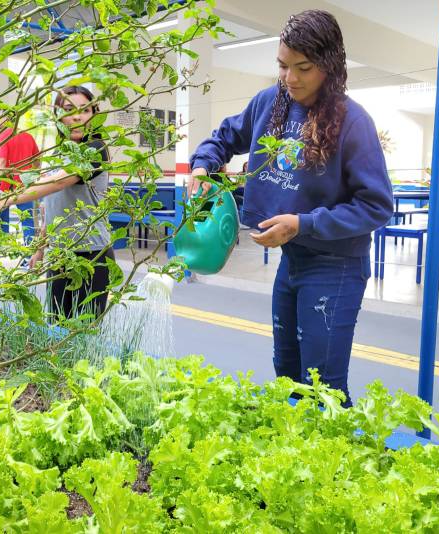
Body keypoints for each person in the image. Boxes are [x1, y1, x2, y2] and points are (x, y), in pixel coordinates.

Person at [188, 10, 393, 406]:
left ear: (329, 66)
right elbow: (223, 137)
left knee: (323, 388)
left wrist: (303, 223)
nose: (290, 78)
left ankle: (335, 444)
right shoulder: (270, 103)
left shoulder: (352, 122)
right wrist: (202, 165)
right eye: (283, 66)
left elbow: (376, 205)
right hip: (293, 260)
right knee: (287, 374)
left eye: (304, 68)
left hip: (335, 266)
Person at [0, 85, 113, 319]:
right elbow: (55, 207)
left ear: (95, 115)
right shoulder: (59, 154)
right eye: (68, 109)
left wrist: (6, 199)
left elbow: (58, 182)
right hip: (59, 255)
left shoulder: (96, 149)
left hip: (91, 255)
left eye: (85, 110)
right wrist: (40, 249)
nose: (77, 116)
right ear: (57, 115)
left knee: (83, 331)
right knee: (56, 327)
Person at [0, 123, 40, 245]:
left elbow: (1, 164)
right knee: (27, 221)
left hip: (6, 185)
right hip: (25, 185)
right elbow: (37, 162)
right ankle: (29, 251)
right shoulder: (28, 136)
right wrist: (31, 177)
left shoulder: (3, 137)